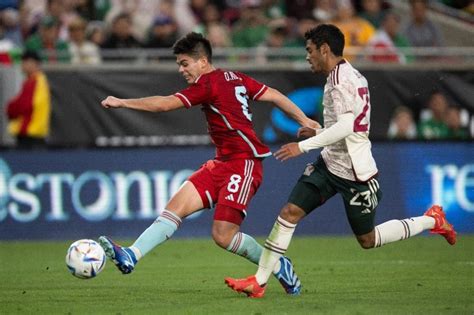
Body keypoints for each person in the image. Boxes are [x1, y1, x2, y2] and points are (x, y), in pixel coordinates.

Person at [224, 24, 457, 298]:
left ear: (325, 49)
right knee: (289, 213)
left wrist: (304, 145)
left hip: (355, 174)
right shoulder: (346, 75)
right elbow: (352, 126)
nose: (307, 56)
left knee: (367, 240)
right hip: (329, 163)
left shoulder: (340, 80)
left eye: (310, 51)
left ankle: (432, 221)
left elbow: (347, 127)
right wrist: (320, 132)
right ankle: (259, 282)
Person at [98, 32, 317, 295]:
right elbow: (274, 94)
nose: (181, 70)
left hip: (243, 163)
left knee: (223, 235)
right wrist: (305, 120)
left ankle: (277, 264)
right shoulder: (234, 77)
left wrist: (123, 102)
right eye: (179, 64)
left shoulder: (208, 84)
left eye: (184, 63)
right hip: (222, 163)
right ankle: (132, 255)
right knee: (175, 207)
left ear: (202, 61)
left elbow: (165, 105)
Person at [6, 50, 51, 148]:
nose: (22, 65)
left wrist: (10, 109)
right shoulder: (30, 81)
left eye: (25, 61)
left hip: (31, 135)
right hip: (30, 135)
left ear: (34, 63)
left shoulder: (36, 81)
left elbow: (26, 105)